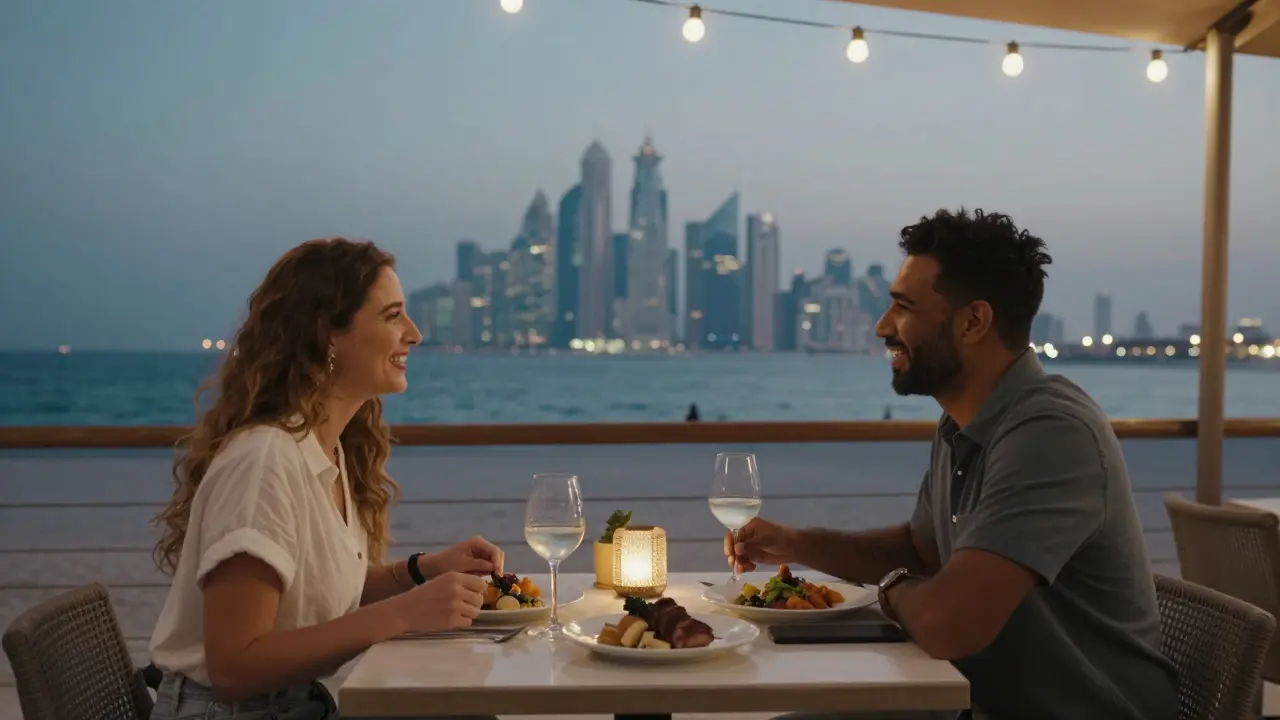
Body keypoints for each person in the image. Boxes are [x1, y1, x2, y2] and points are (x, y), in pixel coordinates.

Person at [726, 209, 1178, 720]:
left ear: (973, 322)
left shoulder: (1051, 433)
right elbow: (920, 551)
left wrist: (894, 589)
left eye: (903, 308)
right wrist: (792, 543)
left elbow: (949, 624)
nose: (882, 327)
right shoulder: (963, 422)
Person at [148, 238, 504, 720]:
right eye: (392, 316)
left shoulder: (325, 450)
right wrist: (404, 614)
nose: (414, 334)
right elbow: (234, 666)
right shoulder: (265, 462)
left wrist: (421, 572)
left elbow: (312, 596)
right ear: (328, 334)